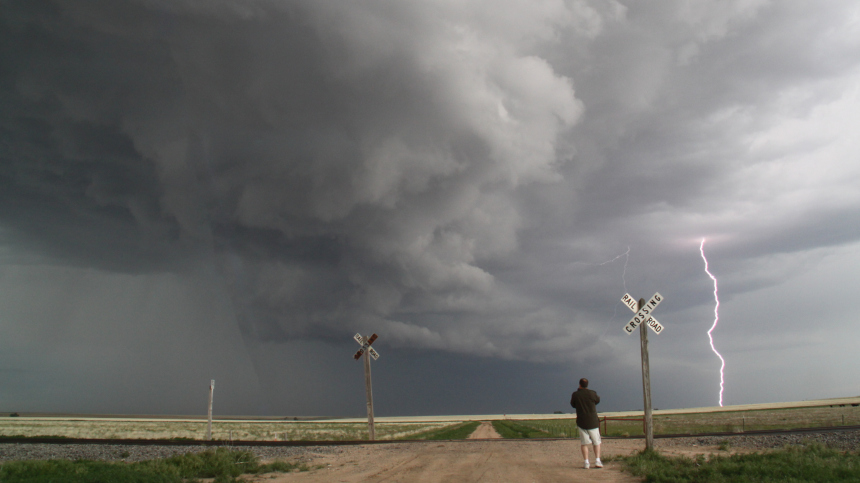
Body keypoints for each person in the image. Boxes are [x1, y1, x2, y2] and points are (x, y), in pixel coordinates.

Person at [570, 378, 602, 469]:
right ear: (587, 385)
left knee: (584, 443)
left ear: (579, 384)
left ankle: (586, 462)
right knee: (596, 442)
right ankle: (597, 460)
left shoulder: (576, 395)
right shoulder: (592, 393)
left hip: (581, 421)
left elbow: (573, 404)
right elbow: (597, 401)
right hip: (593, 421)